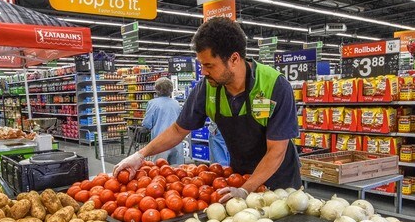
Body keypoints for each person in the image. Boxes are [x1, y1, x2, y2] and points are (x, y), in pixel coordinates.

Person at [115, 17, 301, 201]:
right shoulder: (208, 87)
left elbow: (276, 151)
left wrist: (245, 190)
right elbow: (179, 129)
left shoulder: (274, 86)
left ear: (234, 59)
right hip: (239, 177)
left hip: (280, 182)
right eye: (201, 65)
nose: (203, 72)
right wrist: (140, 155)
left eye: (209, 65)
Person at [140, 77, 184, 165]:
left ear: (157, 89)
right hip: (176, 141)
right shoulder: (176, 103)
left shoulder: (153, 103)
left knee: (159, 170)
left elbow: (147, 124)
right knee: (177, 170)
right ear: (171, 90)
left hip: (160, 142)